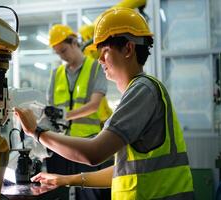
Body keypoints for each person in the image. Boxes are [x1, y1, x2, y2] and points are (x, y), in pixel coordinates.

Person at [17, 7, 194, 200]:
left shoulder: (143, 90)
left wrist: (36, 132)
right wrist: (66, 179)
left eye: (105, 51)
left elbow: (94, 153)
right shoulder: (141, 91)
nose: (100, 59)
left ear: (128, 49)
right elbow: (122, 172)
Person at [45, 24, 112, 200]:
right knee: (57, 192)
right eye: (58, 53)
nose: (62, 56)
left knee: (90, 193)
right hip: (62, 145)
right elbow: (51, 107)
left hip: (88, 144)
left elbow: (94, 105)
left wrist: (64, 116)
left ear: (74, 42)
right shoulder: (56, 73)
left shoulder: (96, 67)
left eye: (64, 50)